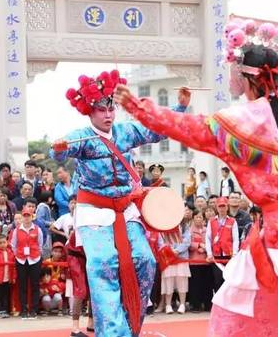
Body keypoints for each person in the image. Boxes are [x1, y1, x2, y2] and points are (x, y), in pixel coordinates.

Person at [115, 21, 278, 336]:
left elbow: (188, 128)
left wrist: (140, 107)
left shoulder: (239, 123)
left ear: (247, 80)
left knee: (240, 319)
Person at [50, 69, 188, 336]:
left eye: (111, 108)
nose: (108, 114)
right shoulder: (82, 137)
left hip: (125, 210)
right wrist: (58, 149)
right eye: (101, 110)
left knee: (145, 261)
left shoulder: (126, 132)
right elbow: (60, 152)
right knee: (102, 262)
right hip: (94, 213)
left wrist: (180, 108)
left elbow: (156, 129)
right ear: (90, 112)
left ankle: (130, 324)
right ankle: (112, 332)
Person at [10, 206, 43, 319]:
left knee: (35, 285)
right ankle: (23, 309)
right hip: (21, 260)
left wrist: (36, 254)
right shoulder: (16, 230)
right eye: (25, 216)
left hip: (34, 259)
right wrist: (18, 254)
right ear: (22, 217)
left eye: (28, 215)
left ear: (32, 216)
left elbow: (40, 244)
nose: (26, 218)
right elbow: (13, 245)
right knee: (22, 286)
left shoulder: (37, 229)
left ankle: (34, 309)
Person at [204, 197, 239, 292]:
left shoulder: (232, 221)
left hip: (229, 256)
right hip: (216, 257)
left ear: (227, 207)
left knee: (228, 281)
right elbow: (208, 238)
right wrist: (209, 254)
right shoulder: (211, 221)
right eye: (220, 206)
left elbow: (235, 239)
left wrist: (235, 253)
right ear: (217, 208)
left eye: (224, 206)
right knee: (217, 281)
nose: (222, 209)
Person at [157, 220, 191, 314]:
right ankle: (168, 305)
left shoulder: (184, 225)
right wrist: (170, 251)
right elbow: (160, 242)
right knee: (168, 280)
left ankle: (182, 304)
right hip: (168, 257)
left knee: (182, 280)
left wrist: (177, 251)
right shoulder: (162, 225)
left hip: (182, 257)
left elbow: (187, 241)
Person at [189, 208, 213, 312]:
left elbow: (211, 241)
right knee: (195, 284)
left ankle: (207, 304)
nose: (199, 219)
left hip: (206, 260)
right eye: (197, 217)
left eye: (201, 217)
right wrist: (197, 245)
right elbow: (187, 243)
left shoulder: (207, 229)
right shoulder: (189, 230)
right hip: (194, 261)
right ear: (193, 218)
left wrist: (205, 247)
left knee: (207, 284)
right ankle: (195, 305)